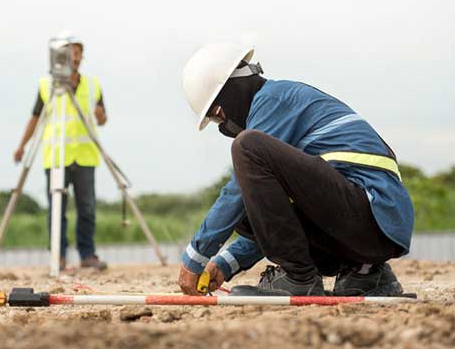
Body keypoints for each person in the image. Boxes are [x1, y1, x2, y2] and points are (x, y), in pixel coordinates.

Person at [177, 42, 414, 296]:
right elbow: (274, 215)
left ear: (228, 95)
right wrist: (224, 264)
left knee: (246, 148)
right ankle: (366, 273)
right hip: (369, 225)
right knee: (249, 205)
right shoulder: (284, 103)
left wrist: (195, 258)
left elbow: (234, 194)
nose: (222, 125)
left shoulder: (273, 100)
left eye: (217, 115)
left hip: (372, 214)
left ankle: (299, 278)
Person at [14, 32, 108, 271]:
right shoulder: (47, 86)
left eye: (77, 52)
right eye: (69, 52)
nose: (73, 57)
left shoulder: (93, 85)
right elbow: (36, 117)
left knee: (87, 208)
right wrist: (22, 145)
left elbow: (102, 117)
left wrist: (101, 116)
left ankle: (87, 254)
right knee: (57, 208)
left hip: (85, 155)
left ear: (81, 56)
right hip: (57, 156)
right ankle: (59, 255)